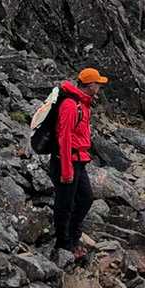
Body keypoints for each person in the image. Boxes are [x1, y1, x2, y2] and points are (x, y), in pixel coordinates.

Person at [49, 67, 108, 264]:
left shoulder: (83, 104)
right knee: (65, 204)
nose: (99, 87)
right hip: (66, 161)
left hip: (79, 160)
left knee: (85, 198)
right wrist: (66, 170)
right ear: (90, 85)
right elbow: (64, 138)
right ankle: (63, 244)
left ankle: (73, 236)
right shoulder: (70, 105)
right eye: (98, 83)